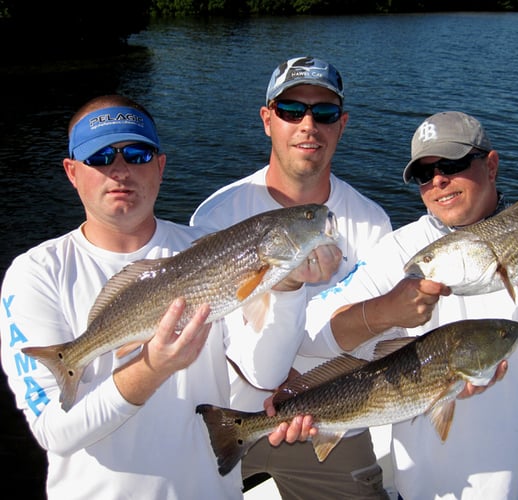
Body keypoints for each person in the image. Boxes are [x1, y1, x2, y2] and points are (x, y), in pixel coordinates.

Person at [0, 94, 329, 500]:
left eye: (137, 154)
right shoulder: (37, 273)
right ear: (71, 171)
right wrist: (150, 368)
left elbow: (263, 373)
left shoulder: (209, 249)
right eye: (100, 157)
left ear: (160, 166)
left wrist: (288, 287)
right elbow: (55, 431)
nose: (120, 171)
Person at [305, 111, 518, 499]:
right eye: (423, 174)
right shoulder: (403, 250)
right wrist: (383, 311)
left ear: (492, 165)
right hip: (424, 491)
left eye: (452, 164)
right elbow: (313, 333)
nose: (438, 181)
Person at [190, 56, 393, 499]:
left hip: (326, 419)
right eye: (290, 110)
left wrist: (304, 393)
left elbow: (374, 343)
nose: (308, 125)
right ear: (267, 120)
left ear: (341, 125)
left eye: (323, 113)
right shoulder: (218, 214)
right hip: (220, 414)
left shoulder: (373, 222)